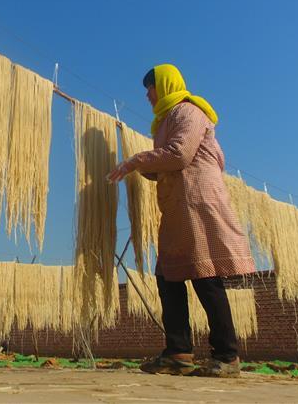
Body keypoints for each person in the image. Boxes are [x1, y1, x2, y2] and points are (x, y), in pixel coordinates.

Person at [108, 64, 256, 377]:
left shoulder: (187, 111)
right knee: (168, 276)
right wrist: (141, 167)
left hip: (197, 202)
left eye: (150, 88)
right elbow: (163, 163)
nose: (147, 95)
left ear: (164, 85)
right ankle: (178, 352)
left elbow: (178, 155)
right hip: (178, 207)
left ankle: (227, 356)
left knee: (205, 277)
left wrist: (136, 160)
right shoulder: (164, 121)